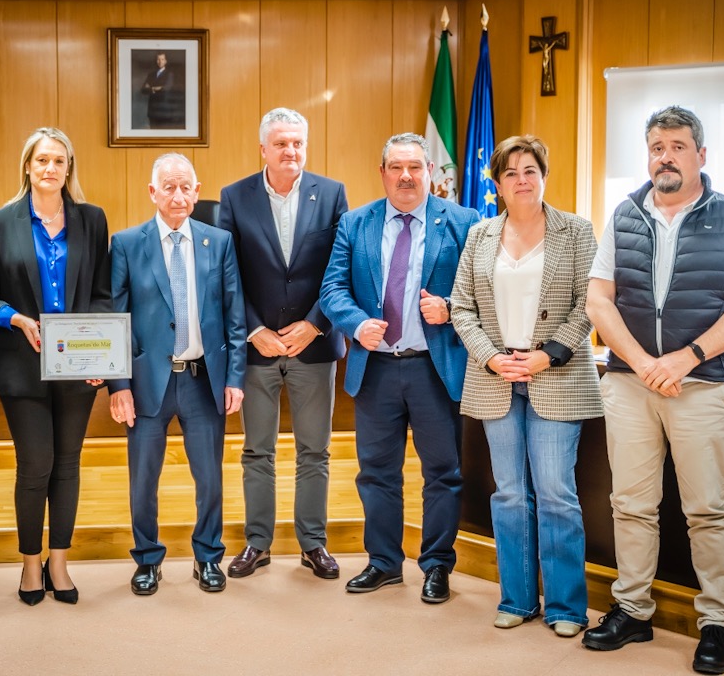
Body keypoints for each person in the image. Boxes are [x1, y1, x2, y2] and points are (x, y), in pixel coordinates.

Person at [583, 106, 724, 675]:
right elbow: (599, 300)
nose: (665, 157)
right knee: (630, 504)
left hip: (704, 385)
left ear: (700, 155)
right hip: (630, 382)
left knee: (708, 509)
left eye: (677, 146)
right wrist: (644, 363)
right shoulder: (625, 215)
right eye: (656, 147)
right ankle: (632, 609)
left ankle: (716, 622)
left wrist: (686, 357)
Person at [449, 135, 602, 639]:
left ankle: (566, 607)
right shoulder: (480, 235)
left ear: (544, 176)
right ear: (497, 184)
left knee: (556, 493)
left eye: (530, 170)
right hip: (495, 378)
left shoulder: (576, 231)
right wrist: (491, 357)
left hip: (556, 375)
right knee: (510, 494)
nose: (521, 180)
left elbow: (591, 304)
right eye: (511, 172)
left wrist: (547, 354)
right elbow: (461, 306)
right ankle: (516, 598)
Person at [320, 133, 479, 604]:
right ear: (383, 173)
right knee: (376, 473)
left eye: (414, 167)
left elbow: (482, 289)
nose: (405, 176)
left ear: (430, 171)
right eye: (396, 167)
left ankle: (437, 565)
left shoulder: (465, 221)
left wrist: (450, 308)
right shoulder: (356, 223)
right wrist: (356, 323)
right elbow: (332, 289)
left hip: (436, 367)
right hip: (376, 370)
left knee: (443, 472)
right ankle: (384, 562)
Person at [0, 127, 111, 606]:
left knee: (68, 465)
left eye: (58, 160)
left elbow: (101, 293)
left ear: (68, 168)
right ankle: (30, 563)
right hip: (22, 362)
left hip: (77, 363)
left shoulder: (92, 219)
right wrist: (13, 318)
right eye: (41, 160)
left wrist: (99, 352)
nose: (50, 168)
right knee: (35, 464)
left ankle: (59, 561)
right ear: (28, 166)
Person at [108, 153, 247, 596]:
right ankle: (147, 560)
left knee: (209, 478)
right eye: (169, 187)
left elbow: (235, 316)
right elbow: (116, 319)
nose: (178, 195)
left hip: (203, 380)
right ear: (153, 192)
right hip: (147, 382)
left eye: (186, 187)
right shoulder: (126, 243)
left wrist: (235, 378)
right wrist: (118, 385)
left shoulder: (218, 242)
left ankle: (208, 556)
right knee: (143, 480)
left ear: (197, 191)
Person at [219, 107, 349, 580]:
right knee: (258, 451)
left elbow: (342, 268)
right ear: (263, 149)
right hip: (257, 348)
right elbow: (227, 275)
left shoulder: (332, 194)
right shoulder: (234, 197)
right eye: (280, 143)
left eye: (297, 142)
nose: (290, 150)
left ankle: (313, 543)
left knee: (315, 450)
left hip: (314, 345)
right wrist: (254, 330)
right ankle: (258, 542)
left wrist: (314, 324)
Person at [140, 52, 179, 129]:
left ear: (165, 61)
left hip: (164, 110)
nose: (160, 61)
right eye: (158, 59)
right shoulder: (151, 75)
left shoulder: (169, 74)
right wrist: (156, 88)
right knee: (153, 132)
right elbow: (143, 90)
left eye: (162, 59)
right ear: (156, 61)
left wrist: (151, 88)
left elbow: (166, 88)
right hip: (152, 110)